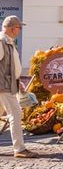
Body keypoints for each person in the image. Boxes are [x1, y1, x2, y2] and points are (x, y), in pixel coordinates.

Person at [0, 16, 38, 158]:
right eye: (19, 28)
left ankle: (19, 148)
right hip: (3, 86)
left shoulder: (9, 42)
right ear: (12, 28)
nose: (20, 30)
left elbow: (11, 65)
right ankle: (19, 149)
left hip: (8, 84)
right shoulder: (1, 42)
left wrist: (18, 82)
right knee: (15, 114)